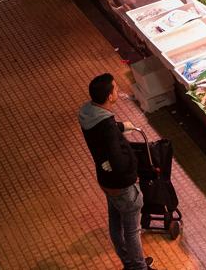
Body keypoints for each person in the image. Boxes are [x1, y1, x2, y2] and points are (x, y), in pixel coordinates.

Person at [79, 74, 152, 270]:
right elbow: (117, 159)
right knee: (131, 230)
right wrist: (132, 176)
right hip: (122, 186)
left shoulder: (87, 113)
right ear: (109, 96)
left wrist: (120, 126)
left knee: (115, 222)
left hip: (105, 179)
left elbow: (102, 131)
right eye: (115, 89)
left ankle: (128, 262)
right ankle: (138, 267)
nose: (117, 91)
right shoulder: (107, 128)